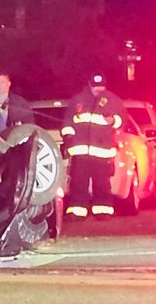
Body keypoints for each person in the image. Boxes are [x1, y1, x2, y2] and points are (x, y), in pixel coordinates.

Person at [61, 72, 126, 219]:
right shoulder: (77, 101)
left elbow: (123, 120)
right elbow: (67, 123)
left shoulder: (113, 101)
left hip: (103, 152)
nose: (99, 89)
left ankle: (103, 210)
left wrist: (114, 120)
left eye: (102, 86)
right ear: (89, 84)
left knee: (102, 183)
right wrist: (68, 137)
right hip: (80, 151)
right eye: (96, 86)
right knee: (78, 182)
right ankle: (77, 211)